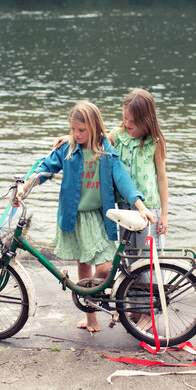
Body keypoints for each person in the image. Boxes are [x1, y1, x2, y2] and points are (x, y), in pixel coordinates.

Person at [15, 101, 155, 333]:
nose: (77, 135)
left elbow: (123, 180)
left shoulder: (106, 151)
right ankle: (91, 319)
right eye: (73, 130)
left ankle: (97, 291)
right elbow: (44, 169)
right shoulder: (68, 149)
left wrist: (140, 206)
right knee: (83, 264)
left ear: (95, 127)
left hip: (97, 217)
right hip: (73, 216)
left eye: (82, 130)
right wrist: (26, 185)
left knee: (104, 267)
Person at [109, 88, 168, 251]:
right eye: (125, 118)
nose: (127, 124)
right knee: (128, 258)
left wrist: (164, 214)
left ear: (146, 119)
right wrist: (70, 138)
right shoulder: (117, 135)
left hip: (149, 207)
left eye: (133, 121)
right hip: (124, 206)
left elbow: (162, 178)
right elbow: (94, 142)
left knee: (148, 259)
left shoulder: (155, 141)